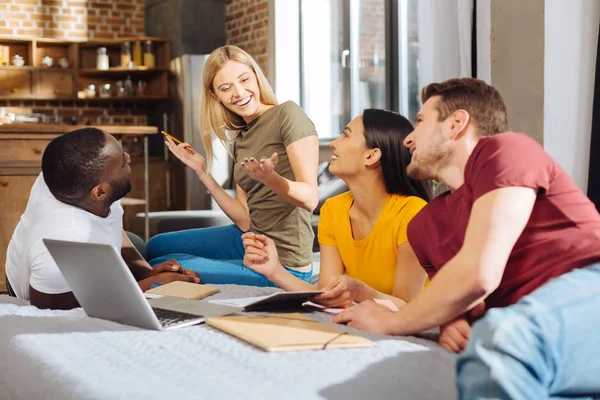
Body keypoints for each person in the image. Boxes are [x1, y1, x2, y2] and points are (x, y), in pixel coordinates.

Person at [332, 78, 600, 399]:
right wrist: (451, 320)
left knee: (502, 339)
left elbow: (478, 275)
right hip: (537, 320)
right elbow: (461, 299)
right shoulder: (424, 226)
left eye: (419, 122)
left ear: (456, 124)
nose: (408, 140)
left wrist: (393, 321)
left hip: (588, 282)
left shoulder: (506, 149)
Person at [146, 45, 319, 287]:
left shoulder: (287, 115)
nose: (238, 93)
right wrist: (202, 172)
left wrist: (272, 179)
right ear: (216, 96)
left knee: (162, 265)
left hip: (284, 263)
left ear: (256, 76)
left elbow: (310, 198)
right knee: (155, 246)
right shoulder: (240, 137)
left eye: (244, 79)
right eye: (226, 88)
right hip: (248, 238)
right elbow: (245, 220)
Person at [242, 109, 431, 307]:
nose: (334, 143)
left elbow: (408, 307)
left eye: (346, 134)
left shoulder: (413, 213)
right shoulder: (333, 209)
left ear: (372, 155)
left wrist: (360, 292)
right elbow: (326, 294)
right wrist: (274, 270)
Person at [5, 128, 199, 310]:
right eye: (123, 161)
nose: (129, 158)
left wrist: (148, 273)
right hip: (49, 292)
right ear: (100, 192)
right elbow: (46, 305)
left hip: (71, 257)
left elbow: (112, 226)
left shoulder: (76, 176)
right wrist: (145, 288)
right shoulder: (66, 236)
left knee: (137, 243)